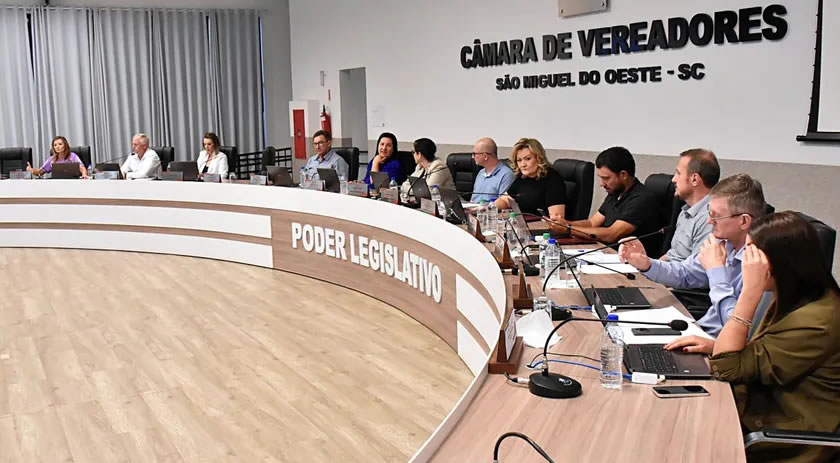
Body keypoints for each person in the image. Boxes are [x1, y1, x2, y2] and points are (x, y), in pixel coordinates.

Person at [664, 212, 840, 463]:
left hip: (782, 436)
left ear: (778, 262)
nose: (744, 262)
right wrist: (714, 346)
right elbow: (763, 352)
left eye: (751, 255)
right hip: (757, 409)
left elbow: (727, 369)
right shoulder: (793, 297)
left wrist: (749, 291)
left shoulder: (817, 321)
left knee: (672, 439)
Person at [620, 173, 768, 336]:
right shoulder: (723, 244)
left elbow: (737, 328)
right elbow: (684, 273)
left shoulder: (759, 264)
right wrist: (647, 264)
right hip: (700, 331)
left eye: (716, 216)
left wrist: (716, 271)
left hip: (717, 343)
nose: (709, 221)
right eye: (709, 212)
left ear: (744, 221)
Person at [557, 146, 658, 251]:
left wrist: (568, 229)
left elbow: (612, 234)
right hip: (605, 252)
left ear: (623, 175)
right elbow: (592, 223)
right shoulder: (615, 193)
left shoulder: (642, 198)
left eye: (606, 178)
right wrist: (562, 223)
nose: (602, 184)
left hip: (629, 257)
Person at [663, 148, 720, 262]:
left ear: (694, 179)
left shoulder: (709, 218)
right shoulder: (685, 211)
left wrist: (652, 267)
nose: (673, 179)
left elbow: (696, 269)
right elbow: (672, 256)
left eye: (678, 173)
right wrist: (646, 264)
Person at [494, 138, 566, 220]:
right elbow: (505, 200)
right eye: (519, 160)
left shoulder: (552, 179)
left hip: (540, 226)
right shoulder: (522, 177)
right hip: (521, 223)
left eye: (528, 159)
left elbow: (556, 219)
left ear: (539, 158)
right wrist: (490, 208)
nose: (523, 165)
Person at [470, 137, 514, 203]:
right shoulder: (481, 173)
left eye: (475, 154)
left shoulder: (506, 175)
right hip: (472, 208)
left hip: (491, 209)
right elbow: (473, 200)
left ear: (485, 156)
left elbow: (504, 203)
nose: (472, 157)